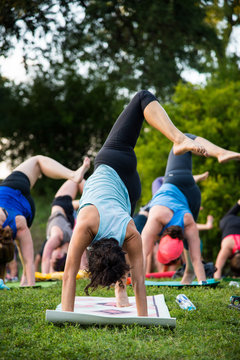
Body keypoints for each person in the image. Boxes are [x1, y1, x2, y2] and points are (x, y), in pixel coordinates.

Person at [61, 89, 211, 317]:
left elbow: (138, 281)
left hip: (130, 194)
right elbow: (69, 274)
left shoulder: (130, 232)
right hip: (114, 163)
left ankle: (120, 296)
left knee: (142, 100)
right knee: (142, 98)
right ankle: (178, 139)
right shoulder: (87, 226)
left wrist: (66, 317)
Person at [141, 133, 240, 284]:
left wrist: (203, 283)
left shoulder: (185, 224)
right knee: (183, 138)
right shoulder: (156, 218)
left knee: (191, 247)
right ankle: (220, 153)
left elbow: (195, 258)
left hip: (193, 195)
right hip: (176, 180)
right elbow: (141, 253)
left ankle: (189, 274)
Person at [0, 155, 90, 286]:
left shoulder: (19, 225)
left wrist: (31, 283)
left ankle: (24, 281)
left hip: (27, 212)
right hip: (13, 191)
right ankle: (73, 175)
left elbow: (31, 262)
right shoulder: (20, 224)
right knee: (37, 160)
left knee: (24, 254)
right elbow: (31, 261)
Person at [41, 161, 89, 274]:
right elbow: (46, 257)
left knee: (77, 183)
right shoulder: (61, 238)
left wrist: (47, 274)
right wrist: (82, 270)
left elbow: (46, 257)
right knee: (76, 180)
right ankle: (80, 173)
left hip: (64, 208)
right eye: (56, 258)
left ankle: (82, 174)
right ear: (61, 255)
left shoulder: (61, 239)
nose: (54, 257)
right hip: (64, 207)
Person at [214, 199, 240, 279]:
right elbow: (217, 268)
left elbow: (218, 267)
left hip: (234, 223)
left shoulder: (227, 248)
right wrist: (216, 278)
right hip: (227, 222)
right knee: (234, 210)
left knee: (236, 208)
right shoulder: (227, 248)